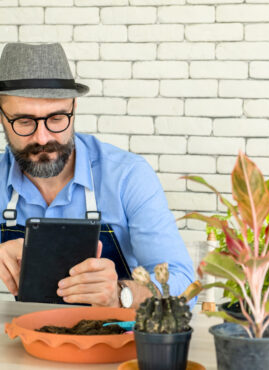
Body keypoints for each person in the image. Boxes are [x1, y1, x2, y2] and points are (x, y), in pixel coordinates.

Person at [0, 42, 195, 309]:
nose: (42, 137)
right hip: (25, 341)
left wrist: (120, 294)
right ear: (2, 116)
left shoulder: (128, 176)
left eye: (57, 119)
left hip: (115, 343)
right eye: (24, 121)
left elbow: (183, 284)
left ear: (74, 107)